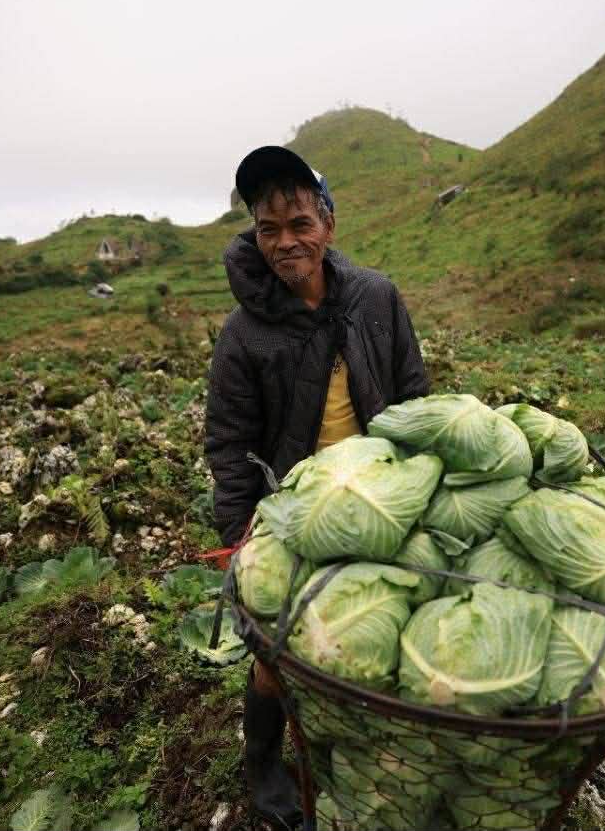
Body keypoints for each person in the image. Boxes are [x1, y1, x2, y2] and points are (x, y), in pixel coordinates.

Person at [203, 145, 429, 829]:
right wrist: (242, 542)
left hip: (384, 500)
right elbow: (230, 449)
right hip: (294, 517)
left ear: (329, 223)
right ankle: (265, 763)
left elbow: (416, 395)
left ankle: (361, 744)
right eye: (267, 229)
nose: (284, 242)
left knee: (387, 634)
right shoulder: (243, 336)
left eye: (299, 223)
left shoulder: (377, 297)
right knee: (273, 653)